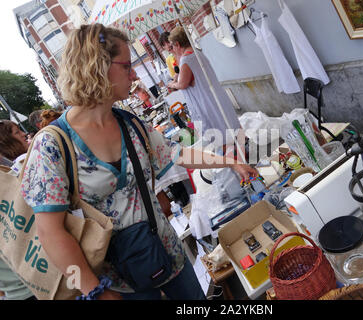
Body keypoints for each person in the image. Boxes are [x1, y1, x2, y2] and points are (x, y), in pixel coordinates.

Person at [20, 23, 257, 300]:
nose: (134, 74)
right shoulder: (52, 146)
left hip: (168, 256)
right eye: (127, 66)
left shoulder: (129, 123)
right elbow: (50, 234)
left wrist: (230, 162)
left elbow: (175, 152)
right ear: (98, 67)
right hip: (120, 283)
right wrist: (93, 291)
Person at [166, 27, 246, 160]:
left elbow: (183, 84)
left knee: (219, 131)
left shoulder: (186, 60)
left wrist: (171, 84)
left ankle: (235, 160)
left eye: (173, 46)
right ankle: (243, 150)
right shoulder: (196, 52)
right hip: (214, 95)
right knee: (229, 123)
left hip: (205, 102)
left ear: (178, 44)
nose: (173, 50)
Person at [0, 120, 35, 300]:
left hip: (16, 292)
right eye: (16, 132)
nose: (23, 133)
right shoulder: (15, 174)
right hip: (39, 284)